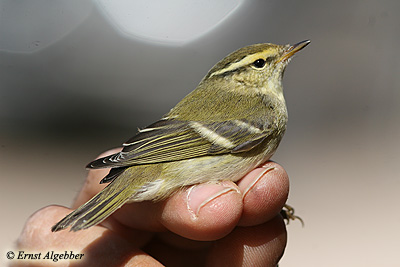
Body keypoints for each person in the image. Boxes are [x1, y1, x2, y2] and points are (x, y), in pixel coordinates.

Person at [15, 148, 289, 266]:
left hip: (157, 155)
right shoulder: (265, 115)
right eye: (261, 63)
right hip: (168, 160)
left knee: (237, 199)